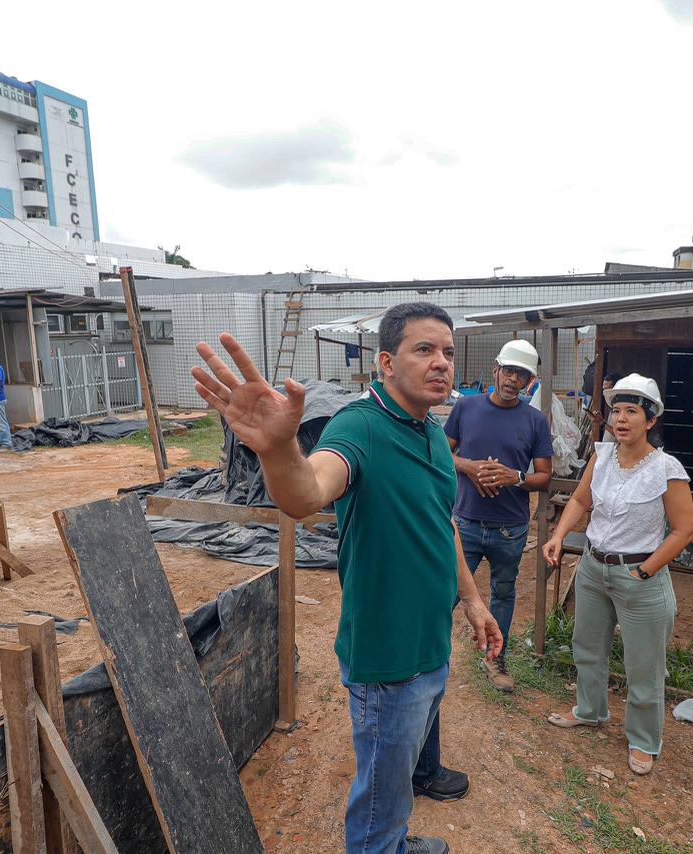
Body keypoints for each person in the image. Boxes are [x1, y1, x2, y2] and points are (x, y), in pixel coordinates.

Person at [192, 302, 502, 854]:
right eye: (423, 350)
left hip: (429, 643)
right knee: (380, 795)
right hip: (386, 659)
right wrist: (280, 447)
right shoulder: (360, 426)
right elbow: (307, 492)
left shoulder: (429, 430)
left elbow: (442, 520)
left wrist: (473, 600)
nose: (441, 364)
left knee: (398, 776)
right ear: (386, 361)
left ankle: (397, 842)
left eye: (448, 353)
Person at [407, 339, 555, 803]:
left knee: (503, 594)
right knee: (446, 590)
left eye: (522, 376)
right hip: (465, 523)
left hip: (511, 527)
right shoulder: (466, 409)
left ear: (530, 382)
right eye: (508, 371)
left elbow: (545, 475)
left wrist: (515, 477)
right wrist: (470, 467)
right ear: (495, 370)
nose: (513, 381)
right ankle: (426, 655)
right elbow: (441, 453)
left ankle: (497, 657)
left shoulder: (535, 421)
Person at [542, 373, 693, 776]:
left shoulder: (667, 468)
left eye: (632, 411)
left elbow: (684, 530)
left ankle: (644, 740)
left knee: (643, 666)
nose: (621, 419)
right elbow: (580, 499)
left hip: (640, 576)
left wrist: (646, 570)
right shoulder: (603, 456)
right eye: (616, 411)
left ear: (651, 420)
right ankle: (590, 710)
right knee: (587, 647)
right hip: (595, 568)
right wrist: (559, 535)